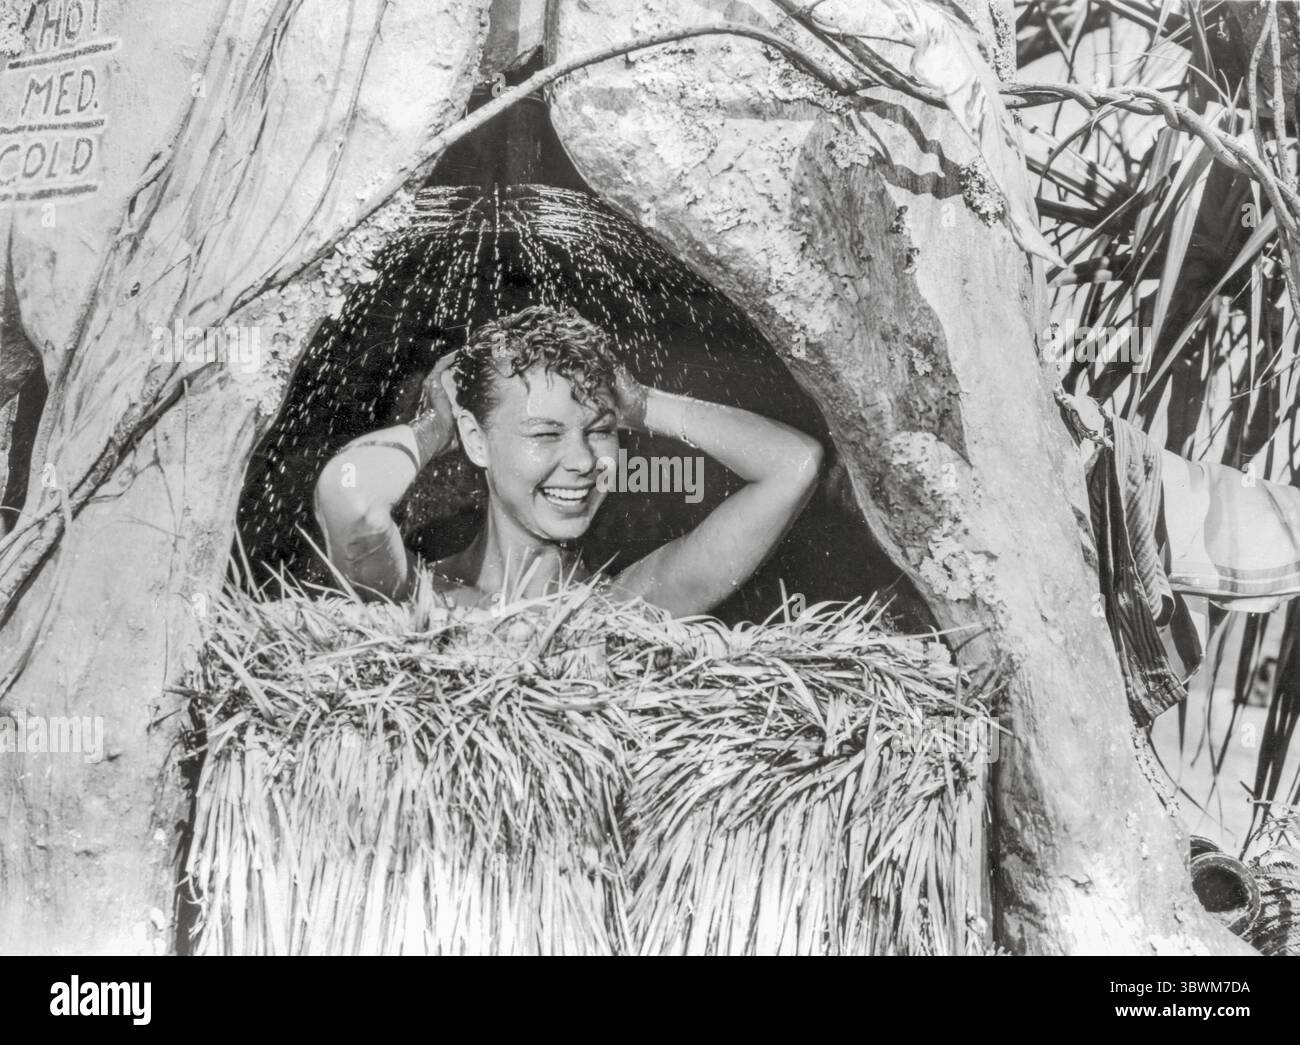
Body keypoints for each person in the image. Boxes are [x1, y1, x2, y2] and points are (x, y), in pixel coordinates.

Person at [313, 305, 824, 617]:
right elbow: (349, 495)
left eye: (600, 431)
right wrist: (436, 428)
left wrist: (644, 405)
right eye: (545, 433)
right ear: (476, 439)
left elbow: (792, 463)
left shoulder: (629, 607)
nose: (583, 460)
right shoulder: (411, 596)